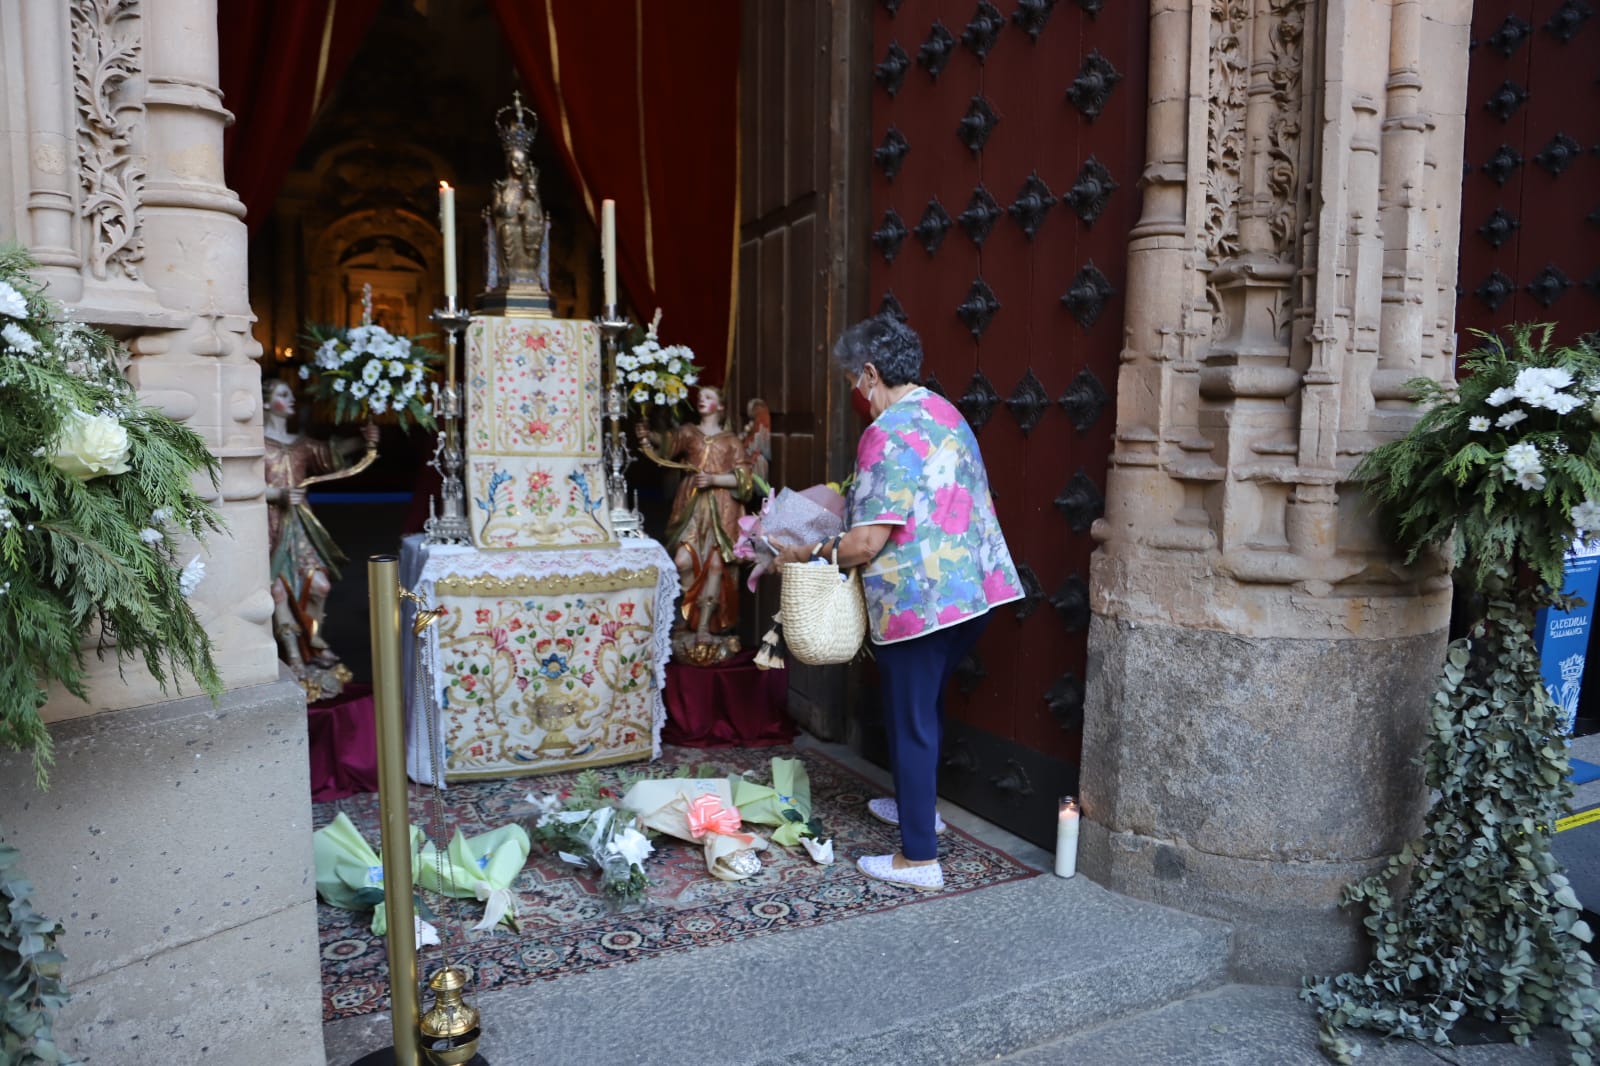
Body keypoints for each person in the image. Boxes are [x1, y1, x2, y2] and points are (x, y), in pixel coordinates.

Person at [777, 316, 1022, 890]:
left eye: (850, 381)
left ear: (870, 372)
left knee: (911, 724)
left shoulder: (886, 431)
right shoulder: (944, 413)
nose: (853, 393)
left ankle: (919, 859)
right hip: (972, 595)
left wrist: (805, 551)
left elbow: (867, 541)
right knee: (925, 712)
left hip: (918, 605)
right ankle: (922, 810)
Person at [263, 378, 379, 700]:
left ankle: (314, 641)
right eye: (282, 393)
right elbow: (241, 485)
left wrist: (362, 440)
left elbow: (329, 452)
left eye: (289, 393)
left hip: (300, 527)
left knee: (319, 585)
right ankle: (294, 656)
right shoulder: (257, 444)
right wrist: (278, 494)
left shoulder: (299, 444)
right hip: (269, 527)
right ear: (265, 403)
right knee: (276, 590)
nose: (291, 399)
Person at [638, 386, 764, 661]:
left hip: (721, 509)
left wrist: (715, 479)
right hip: (692, 506)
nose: (702, 401)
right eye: (701, 398)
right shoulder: (689, 432)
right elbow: (668, 445)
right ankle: (688, 614)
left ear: (720, 405)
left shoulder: (731, 441)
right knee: (683, 560)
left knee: (717, 565)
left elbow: (744, 480)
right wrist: (649, 436)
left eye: (709, 397)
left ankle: (705, 626)